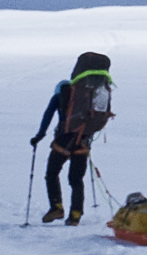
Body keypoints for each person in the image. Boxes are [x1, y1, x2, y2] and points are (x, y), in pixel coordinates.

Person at [32, 52, 117, 223]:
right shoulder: (94, 93)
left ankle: (57, 208)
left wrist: (39, 136)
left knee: (52, 173)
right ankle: (76, 214)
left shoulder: (61, 93)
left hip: (63, 140)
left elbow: (48, 115)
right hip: (84, 141)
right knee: (76, 179)